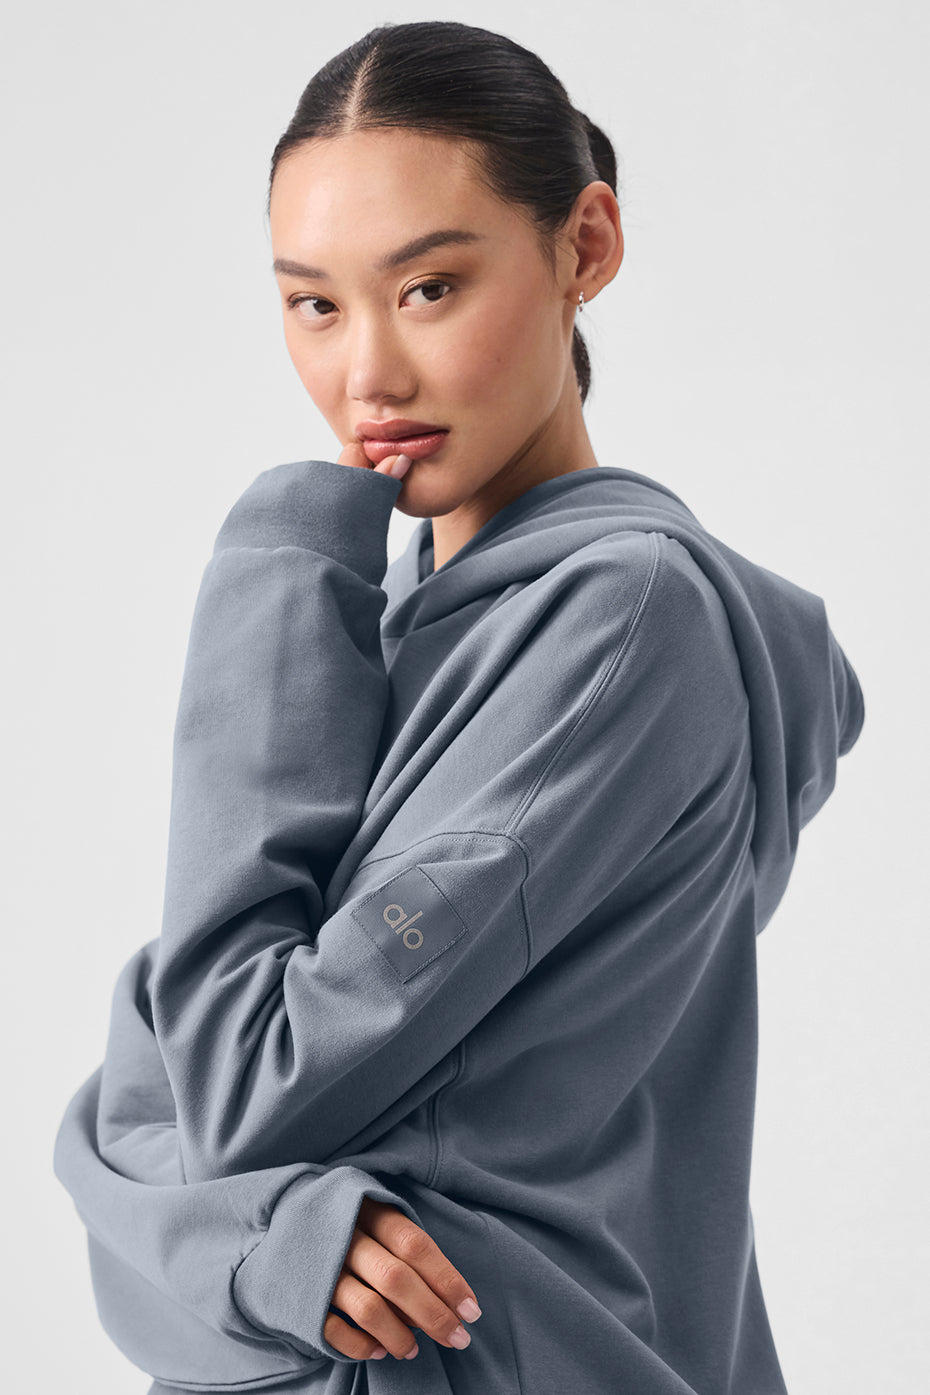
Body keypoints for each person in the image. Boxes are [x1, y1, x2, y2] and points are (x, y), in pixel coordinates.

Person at [52, 20, 866, 1395]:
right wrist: (256, 1240)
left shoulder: (620, 624)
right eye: (315, 305)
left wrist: (272, 564)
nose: (365, 374)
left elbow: (240, 1089)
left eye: (428, 287)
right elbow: (134, 1110)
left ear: (584, 246)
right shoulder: (389, 629)